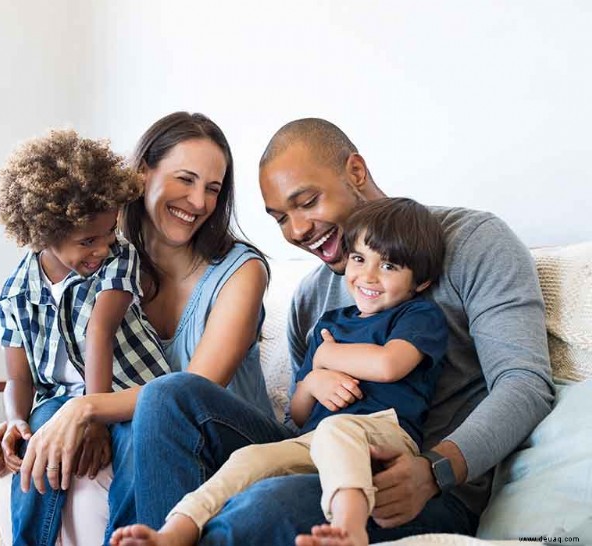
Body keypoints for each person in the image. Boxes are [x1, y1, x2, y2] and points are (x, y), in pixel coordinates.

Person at [124, 118, 555, 545]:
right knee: (169, 396)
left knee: (260, 508)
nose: (296, 231)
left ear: (355, 172)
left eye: (307, 202)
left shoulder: (474, 242)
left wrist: (436, 470)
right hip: (322, 454)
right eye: (280, 219)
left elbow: (525, 383)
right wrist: (313, 382)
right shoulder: (312, 297)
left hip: (417, 484)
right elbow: (301, 419)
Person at [0, 112, 276, 545]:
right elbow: (56, 364)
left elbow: (192, 391)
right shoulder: (100, 260)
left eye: (212, 188)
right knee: (53, 433)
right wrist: (20, 427)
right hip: (141, 423)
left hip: (225, 437)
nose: (199, 202)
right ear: (142, 173)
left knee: (155, 409)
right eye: (185, 179)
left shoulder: (240, 272)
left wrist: (86, 408)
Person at [111, 197, 448, 546]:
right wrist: (314, 379)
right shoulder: (330, 324)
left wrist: (327, 357)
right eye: (359, 259)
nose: (368, 276)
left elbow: (389, 364)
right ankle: (175, 531)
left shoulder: (416, 315)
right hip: (313, 441)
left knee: (337, 428)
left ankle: (350, 529)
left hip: (384, 435)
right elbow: (299, 413)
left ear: (420, 282)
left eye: (389, 266)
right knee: (249, 458)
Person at [0, 129, 173, 544]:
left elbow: (100, 331)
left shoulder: (118, 258)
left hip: (130, 392)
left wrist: (93, 417)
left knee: (135, 447)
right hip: (58, 400)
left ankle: (128, 538)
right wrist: (15, 421)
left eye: (109, 232)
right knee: (37, 444)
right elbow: (19, 378)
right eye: (87, 241)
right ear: (43, 232)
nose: (102, 248)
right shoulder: (16, 293)